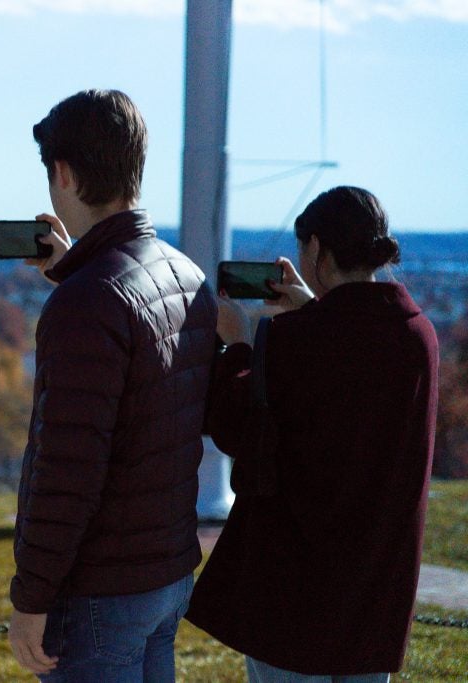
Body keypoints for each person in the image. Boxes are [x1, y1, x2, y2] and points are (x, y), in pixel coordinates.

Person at [186, 186, 439, 682]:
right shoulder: (419, 338)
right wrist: (311, 308)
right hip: (376, 592)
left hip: (292, 595)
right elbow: (349, 378)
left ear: (317, 249)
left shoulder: (291, 341)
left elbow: (238, 428)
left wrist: (239, 343)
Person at [7, 88, 218, 682]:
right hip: (165, 572)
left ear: (64, 174)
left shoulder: (89, 301)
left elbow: (68, 469)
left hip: (100, 589)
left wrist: (31, 598)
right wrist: (74, 274)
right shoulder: (184, 274)